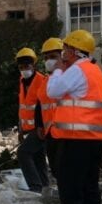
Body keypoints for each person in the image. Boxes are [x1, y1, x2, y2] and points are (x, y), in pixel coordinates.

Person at [47, 29, 102, 204]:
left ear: (73, 51)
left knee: (71, 192)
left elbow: (53, 91)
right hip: (95, 141)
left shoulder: (76, 70)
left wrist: (57, 70)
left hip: (76, 141)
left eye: (65, 50)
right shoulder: (95, 71)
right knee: (90, 191)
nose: (62, 55)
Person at [15, 47, 48, 192]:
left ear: (33, 65)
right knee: (38, 157)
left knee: (23, 153)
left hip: (41, 127)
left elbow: (44, 105)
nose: (24, 69)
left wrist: (41, 125)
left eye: (27, 66)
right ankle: (44, 186)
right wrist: (21, 129)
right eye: (21, 67)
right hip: (29, 128)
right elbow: (23, 106)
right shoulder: (22, 81)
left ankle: (35, 186)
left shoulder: (42, 80)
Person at [38, 37, 64, 178]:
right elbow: (40, 104)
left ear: (62, 56)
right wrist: (40, 125)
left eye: (53, 56)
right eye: (46, 57)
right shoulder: (47, 80)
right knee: (55, 169)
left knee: (64, 170)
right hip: (50, 131)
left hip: (65, 132)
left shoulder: (68, 76)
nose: (49, 60)